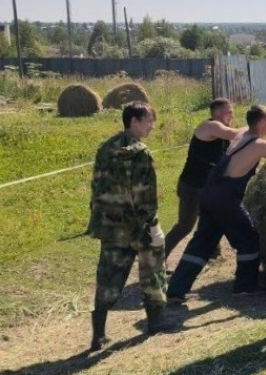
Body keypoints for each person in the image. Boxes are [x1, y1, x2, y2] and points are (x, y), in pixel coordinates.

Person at [167, 105, 266, 302]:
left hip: (209, 193)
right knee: (248, 237)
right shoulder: (258, 145)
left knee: (202, 242)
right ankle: (245, 286)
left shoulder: (241, 136)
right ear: (262, 122)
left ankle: (175, 290)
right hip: (226, 199)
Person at [86, 101, 176, 351]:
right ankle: (156, 321)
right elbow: (144, 194)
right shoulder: (140, 152)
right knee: (153, 271)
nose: (151, 126)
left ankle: (98, 334)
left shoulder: (105, 148)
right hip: (138, 226)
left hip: (111, 225)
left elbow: (97, 186)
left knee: (108, 277)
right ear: (134, 121)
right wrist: (150, 224)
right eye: (148, 121)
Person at [164, 98, 246, 264]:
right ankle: (157, 261)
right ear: (217, 113)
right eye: (228, 111)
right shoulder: (210, 126)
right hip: (192, 187)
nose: (232, 114)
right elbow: (235, 134)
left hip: (206, 187)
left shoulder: (222, 133)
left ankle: (213, 255)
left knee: (213, 219)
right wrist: (255, 125)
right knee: (185, 226)